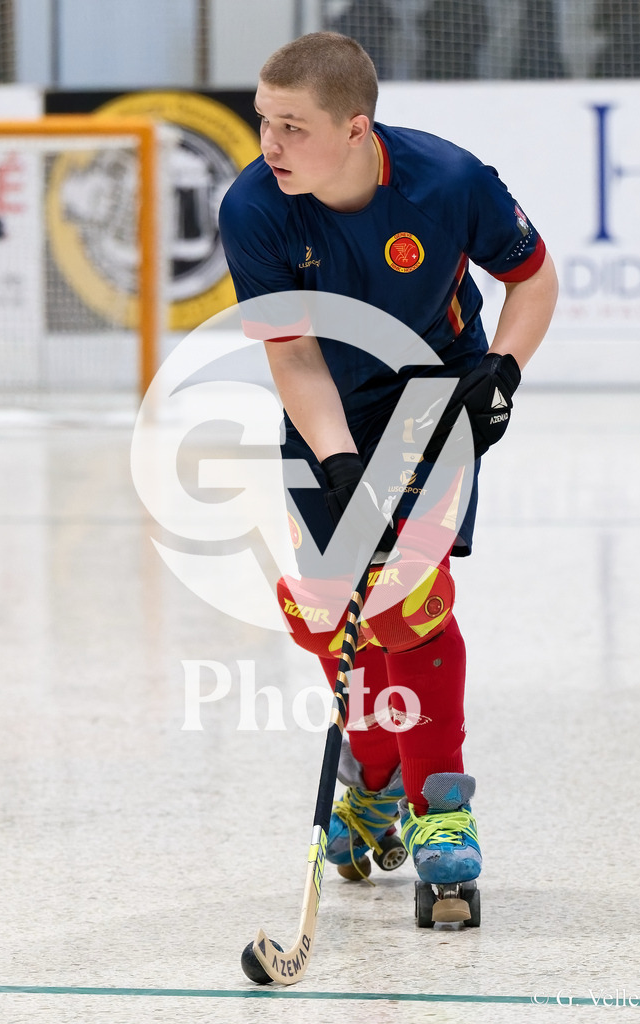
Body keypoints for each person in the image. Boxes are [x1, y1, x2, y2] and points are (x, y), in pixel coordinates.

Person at [218, 32, 558, 917]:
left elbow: (533, 278)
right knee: (333, 619)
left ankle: (440, 808)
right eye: (263, 121)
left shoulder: (449, 181)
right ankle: (371, 782)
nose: (270, 144)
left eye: (293, 127)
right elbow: (292, 353)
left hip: (432, 396)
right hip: (327, 401)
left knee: (405, 604)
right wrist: (335, 458)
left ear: (356, 128)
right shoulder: (253, 208)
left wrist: (504, 371)